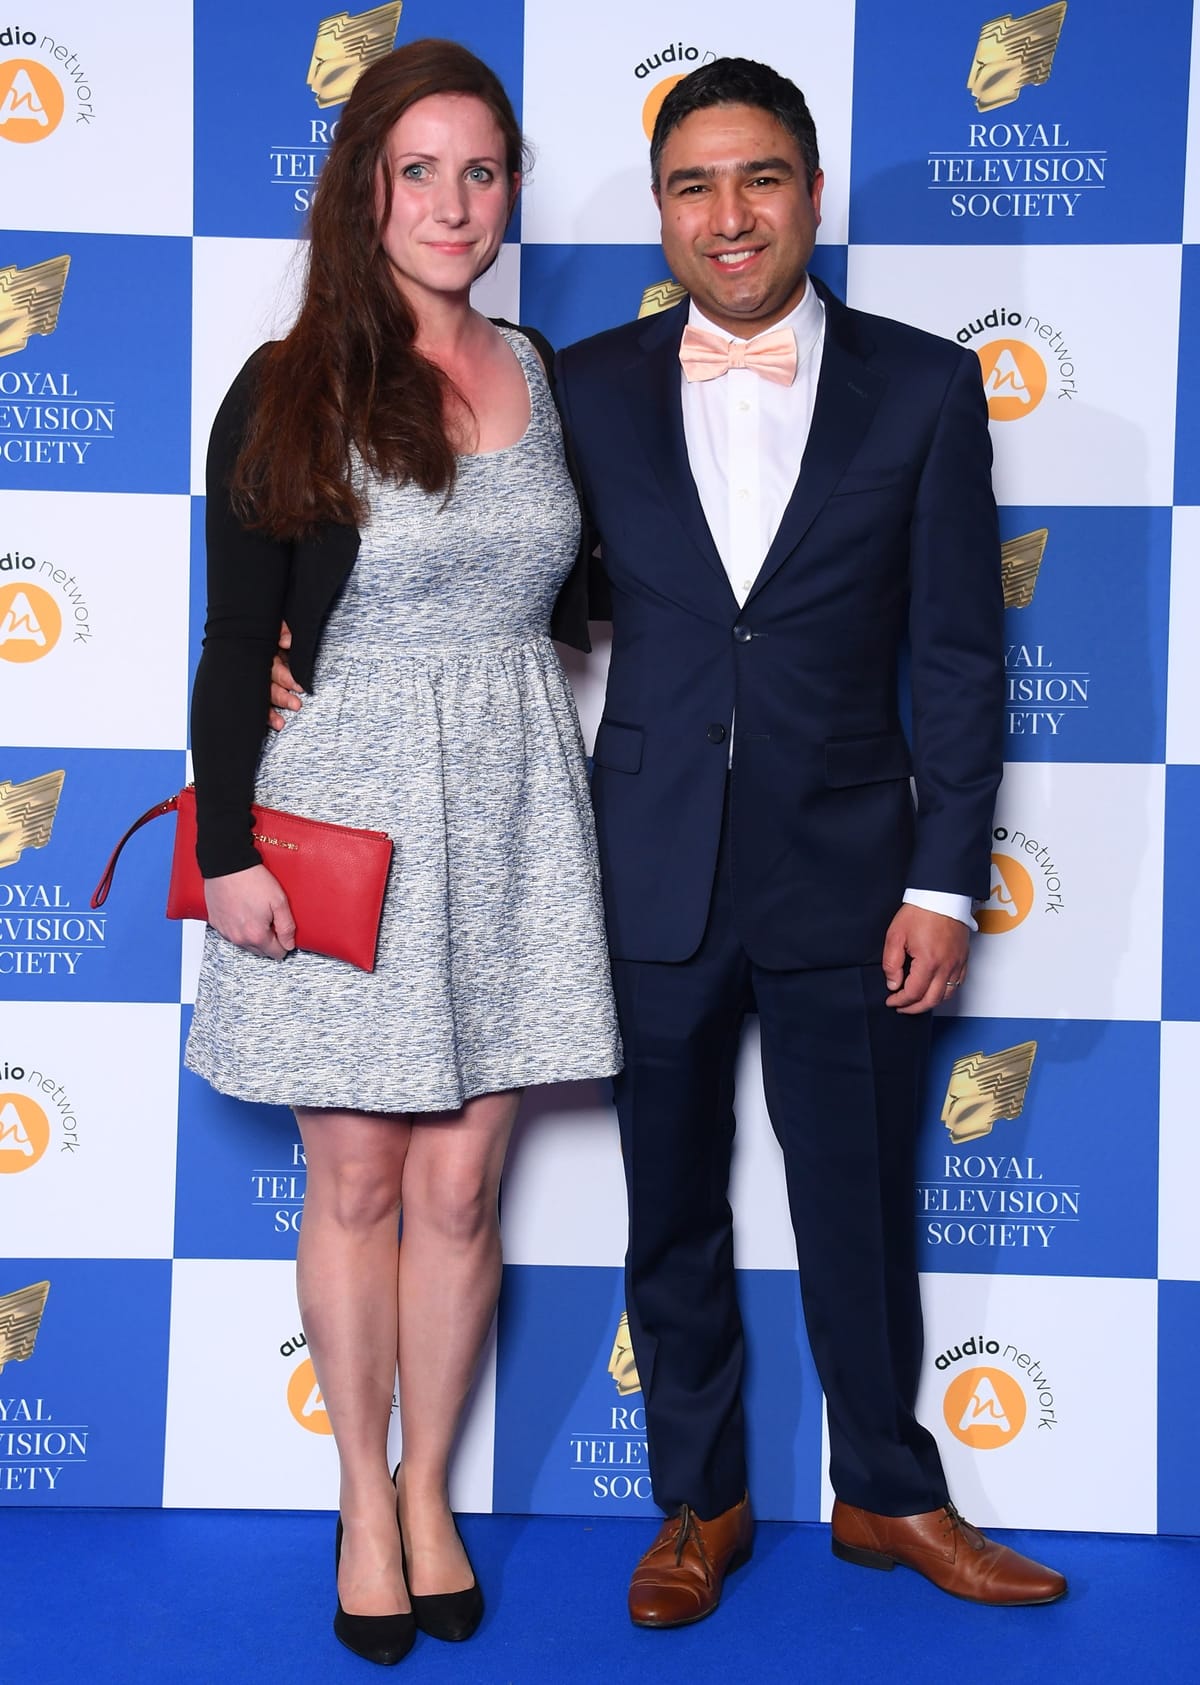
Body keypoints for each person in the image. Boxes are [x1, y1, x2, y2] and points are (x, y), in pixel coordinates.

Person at [549, 57, 1067, 1623]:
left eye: (760, 178)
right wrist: (313, 651)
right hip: (649, 862)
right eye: (696, 184)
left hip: (855, 873)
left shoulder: (921, 386)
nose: (731, 214)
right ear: (662, 210)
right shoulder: (582, 388)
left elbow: (966, 660)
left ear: (811, 193)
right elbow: (506, 584)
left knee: (861, 1202)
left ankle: (887, 1494)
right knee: (672, 1205)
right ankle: (696, 1501)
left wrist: (943, 881)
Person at [186, 37, 620, 1667]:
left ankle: (431, 1487)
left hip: (513, 802)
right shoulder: (288, 378)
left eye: (482, 169)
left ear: (509, 190)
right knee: (359, 1175)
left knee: (461, 1184)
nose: (453, 200)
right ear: (365, 187)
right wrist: (230, 849)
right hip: (345, 807)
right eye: (419, 168)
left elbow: (575, 589)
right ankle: (361, 1506)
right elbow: (238, 649)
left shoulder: (542, 366)